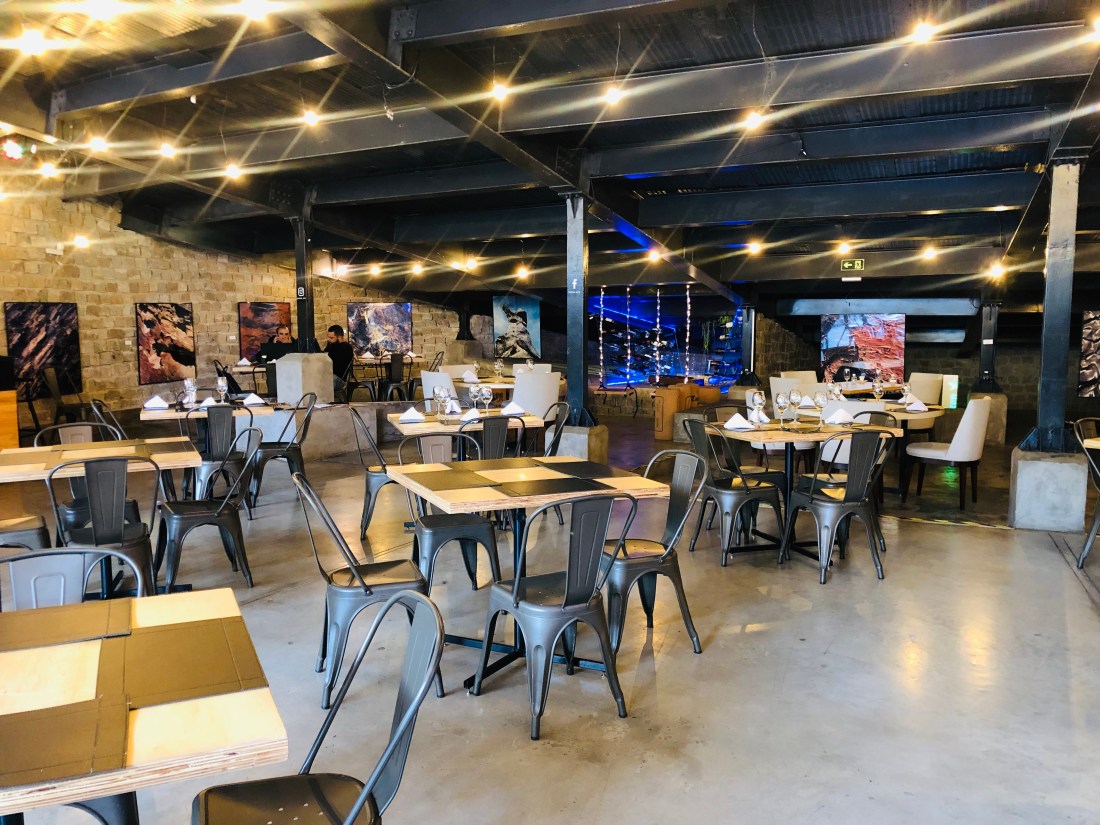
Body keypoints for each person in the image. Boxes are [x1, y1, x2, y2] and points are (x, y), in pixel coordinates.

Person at [325, 324, 355, 394]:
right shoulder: (332, 345)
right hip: (332, 376)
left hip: (339, 379)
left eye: (331, 338)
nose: (329, 339)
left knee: (322, 379)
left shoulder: (346, 347)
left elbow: (335, 364)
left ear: (339, 337)